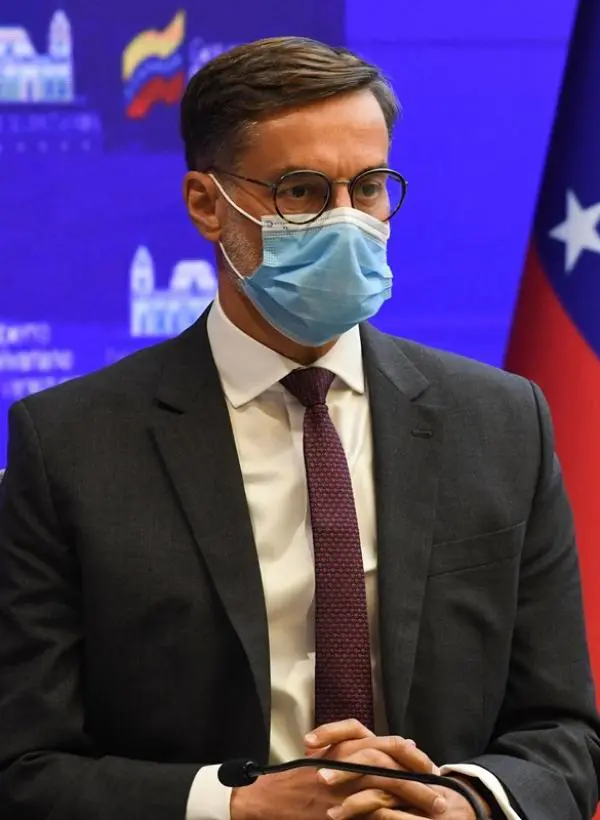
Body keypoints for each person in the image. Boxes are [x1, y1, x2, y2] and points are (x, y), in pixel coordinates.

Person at [0, 36, 598, 820]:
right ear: (207, 203)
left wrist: (469, 803)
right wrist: (234, 805)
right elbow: (25, 766)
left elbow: (563, 733)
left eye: (369, 187)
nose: (347, 221)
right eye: (303, 192)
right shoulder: (70, 447)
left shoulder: (502, 422)